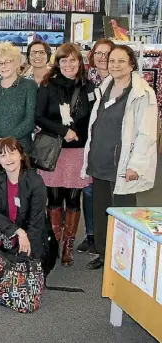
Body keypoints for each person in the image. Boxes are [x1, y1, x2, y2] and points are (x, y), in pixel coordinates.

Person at [81, 45, 158, 270]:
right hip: (100, 162)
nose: (115, 65)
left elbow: (147, 133)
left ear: (132, 64)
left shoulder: (142, 93)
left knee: (124, 214)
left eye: (121, 61)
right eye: (112, 61)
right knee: (101, 211)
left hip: (123, 165)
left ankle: (126, 258)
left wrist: (136, 165)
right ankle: (105, 255)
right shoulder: (105, 87)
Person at [35, 43, 94, 266]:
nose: (68, 64)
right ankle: (55, 241)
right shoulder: (48, 85)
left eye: (73, 60)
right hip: (54, 151)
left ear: (80, 62)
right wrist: (63, 131)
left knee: (73, 199)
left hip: (78, 151)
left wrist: (77, 134)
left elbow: (92, 120)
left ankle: (68, 245)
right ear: (57, 63)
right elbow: (39, 117)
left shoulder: (89, 87)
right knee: (54, 198)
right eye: (64, 60)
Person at [78, 38, 115, 255]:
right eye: (98, 53)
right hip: (87, 142)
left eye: (106, 53)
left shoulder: (118, 81)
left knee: (106, 193)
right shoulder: (87, 79)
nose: (102, 57)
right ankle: (92, 235)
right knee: (89, 191)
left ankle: (109, 238)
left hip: (109, 146)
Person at [0, 137, 49, 261]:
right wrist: (18, 231)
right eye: (3, 155)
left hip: (30, 233)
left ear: (21, 155)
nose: (8, 159)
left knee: (28, 271)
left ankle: (14, 255)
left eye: (12, 153)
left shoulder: (35, 181)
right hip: (9, 230)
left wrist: (29, 247)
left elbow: (36, 221)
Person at [0, 42, 36, 175]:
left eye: (7, 62)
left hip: (18, 149)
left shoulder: (29, 86)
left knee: (19, 190)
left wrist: (5, 142)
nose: (3, 66)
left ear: (17, 62)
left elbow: (29, 120)